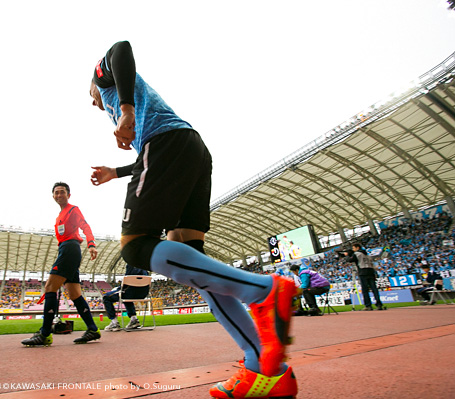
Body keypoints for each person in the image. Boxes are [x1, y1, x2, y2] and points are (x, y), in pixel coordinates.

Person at [89, 41, 299, 399]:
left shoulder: (106, 84)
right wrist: (117, 171)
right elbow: (149, 160)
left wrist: (123, 107)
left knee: (136, 247)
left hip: (166, 143)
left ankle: (263, 289)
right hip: (189, 149)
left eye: (90, 97)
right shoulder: (136, 113)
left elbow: (120, 49)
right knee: (200, 272)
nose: (93, 103)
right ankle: (265, 368)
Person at [21, 182, 100, 346]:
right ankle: (93, 329)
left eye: (62, 192)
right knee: (74, 294)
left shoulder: (73, 209)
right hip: (67, 250)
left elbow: (85, 226)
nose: (59, 195)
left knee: (50, 287)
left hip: (70, 249)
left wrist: (91, 244)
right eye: (56, 193)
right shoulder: (59, 216)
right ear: (53, 196)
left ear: (68, 195)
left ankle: (44, 334)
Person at [103, 264, 150, 331]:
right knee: (127, 295)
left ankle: (114, 323)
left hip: (130, 292)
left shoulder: (131, 265)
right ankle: (134, 319)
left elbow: (127, 282)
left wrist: (117, 289)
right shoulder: (144, 267)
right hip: (143, 294)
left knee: (106, 297)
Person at [344, 243, 386, 311]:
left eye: (353, 248)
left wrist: (347, 255)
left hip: (363, 271)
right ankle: (379, 304)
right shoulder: (367, 254)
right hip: (370, 271)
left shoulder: (357, 254)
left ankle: (368, 305)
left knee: (365, 290)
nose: (353, 250)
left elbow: (349, 260)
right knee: (374, 289)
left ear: (357, 248)